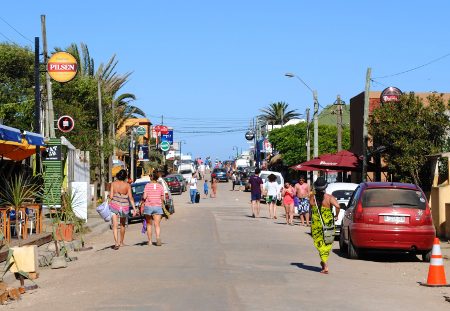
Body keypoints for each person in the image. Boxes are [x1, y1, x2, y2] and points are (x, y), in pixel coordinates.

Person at [309, 177, 340, 274]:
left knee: (319, 243)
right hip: (328, 223)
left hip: (317, 223)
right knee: (327, 242)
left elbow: (311, 207)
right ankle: (324, 261)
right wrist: (336, 215)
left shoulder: (312, 196)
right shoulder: (329, 197)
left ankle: (325, 263)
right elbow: (338, 206)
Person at [109, 169, 137, 250]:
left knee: (114, 225)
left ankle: (116, 243)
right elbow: (130, 198)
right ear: (125, 177)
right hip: (124, 206)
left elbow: (111, 196)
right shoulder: (127, 185)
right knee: (122, 225)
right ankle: (121, 242)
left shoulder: (113, 184)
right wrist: (134, 209)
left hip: (114, 205)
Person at [141, 172, 164, 246]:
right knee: (157, 225)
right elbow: (162, 198)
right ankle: (158, 237)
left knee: (149, 224)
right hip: (158, 207)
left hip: (148, 206)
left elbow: (144, 197)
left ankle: (150, 241)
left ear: (151, 177)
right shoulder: (160, 186)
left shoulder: (147, 186)